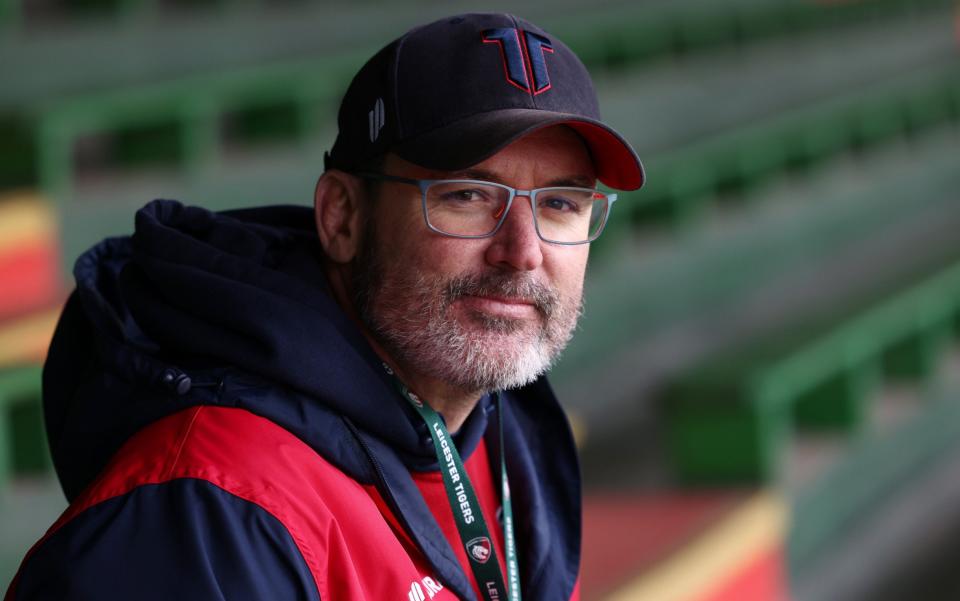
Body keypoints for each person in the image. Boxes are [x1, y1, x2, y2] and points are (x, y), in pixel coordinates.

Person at [5, 12, 643, 601]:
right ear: (342, 217)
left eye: (561, 204)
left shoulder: (507, 431)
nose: (522, 251)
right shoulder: (210, 512)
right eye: (469, 196)